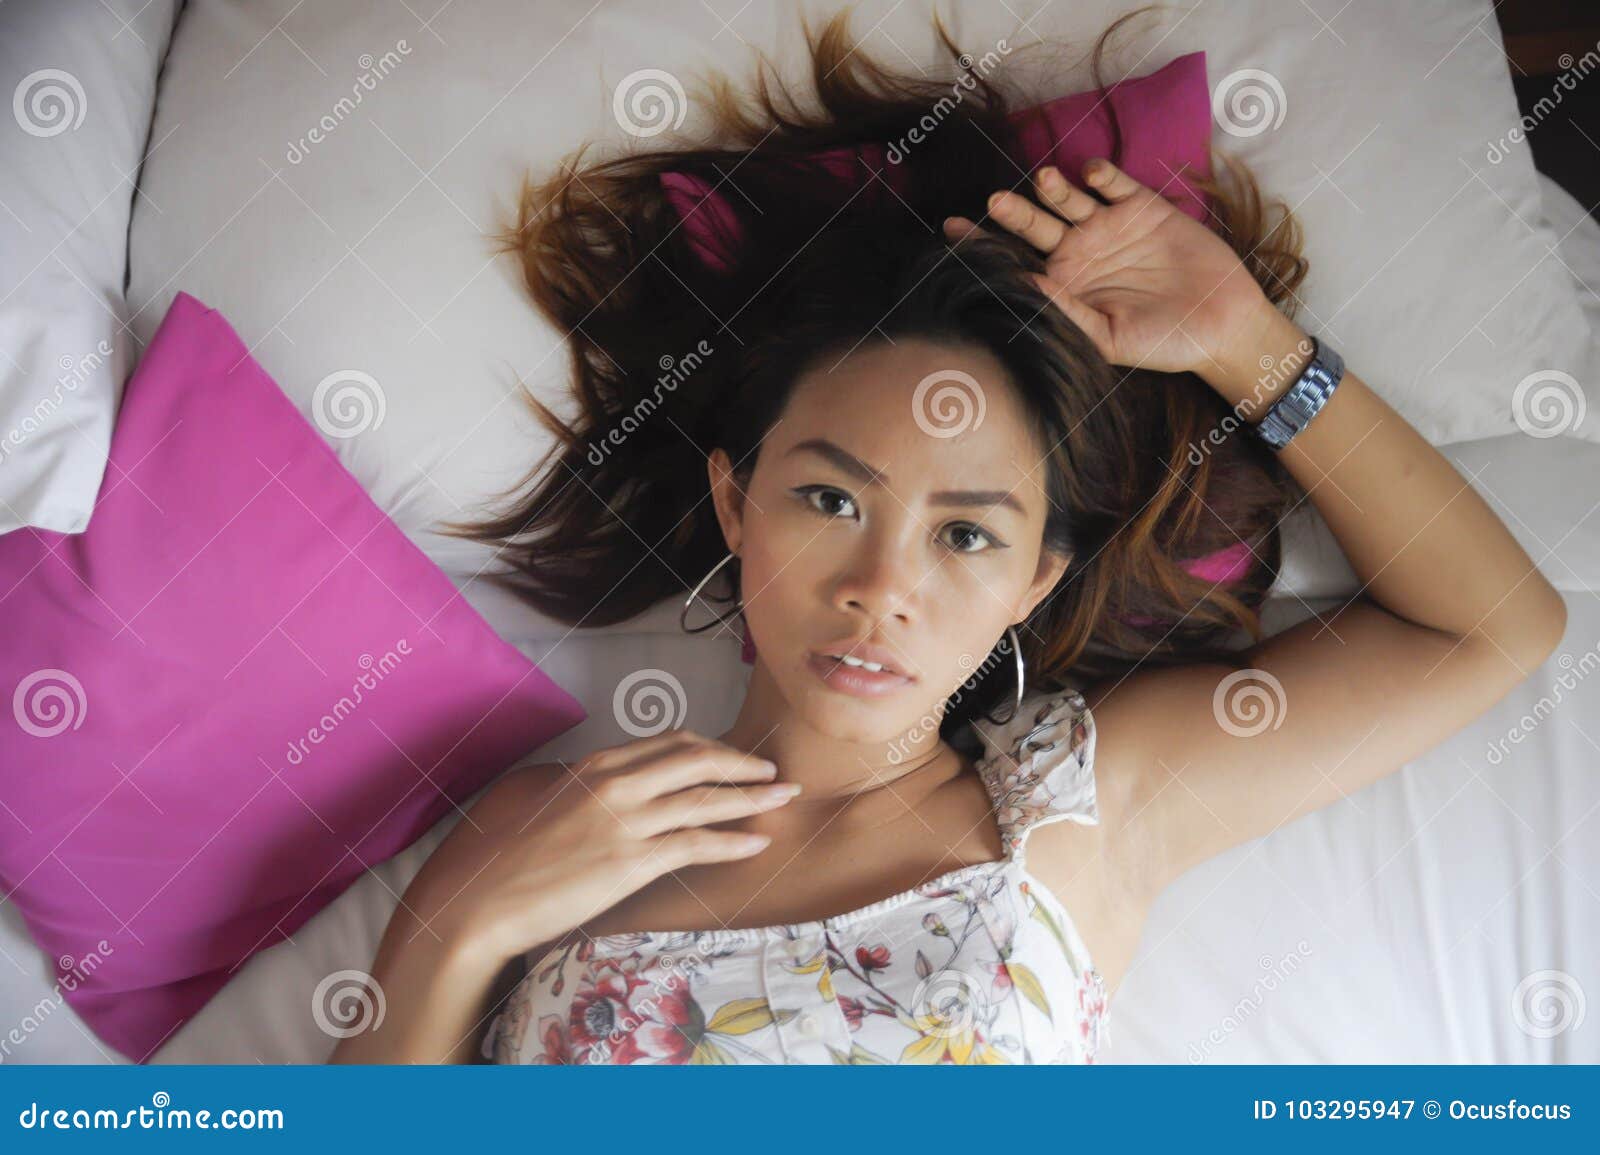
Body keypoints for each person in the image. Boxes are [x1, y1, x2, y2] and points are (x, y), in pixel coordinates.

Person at [330, 11, 1567, 1064]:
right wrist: (459, 933)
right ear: (732, 505)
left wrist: (1250, 350)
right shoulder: (544, 829)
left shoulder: (1077, 803)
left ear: (1036, 580)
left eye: (966, 536)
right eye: (829, 501)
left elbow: (1491, 628)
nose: (881, 589)